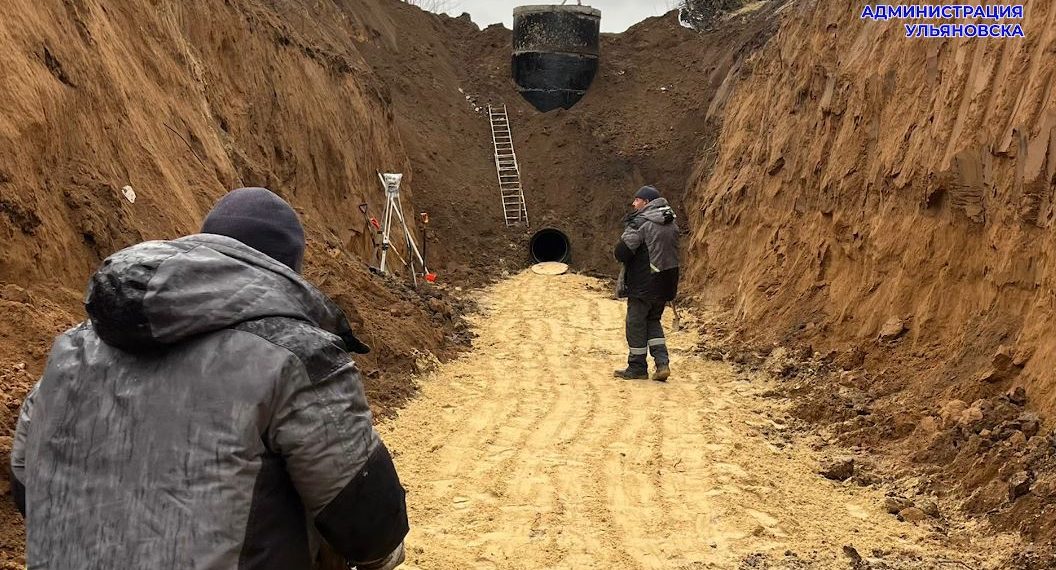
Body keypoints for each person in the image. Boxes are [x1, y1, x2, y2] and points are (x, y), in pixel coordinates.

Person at [9, 188, 408, 570]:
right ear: (283, 270)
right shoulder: (296, 355)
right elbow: (371, 531)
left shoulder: (72, 348)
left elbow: (29, 485)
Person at [613, 185, 680, 382]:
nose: (634, 203)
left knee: (635, 323)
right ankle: (662, 363)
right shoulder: (671, 222)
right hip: (666, 281)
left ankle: (637, 367)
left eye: (637, 200)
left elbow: (622, 252)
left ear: (647, 202)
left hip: (644, 282)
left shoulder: (641, 223)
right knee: (653, 320)